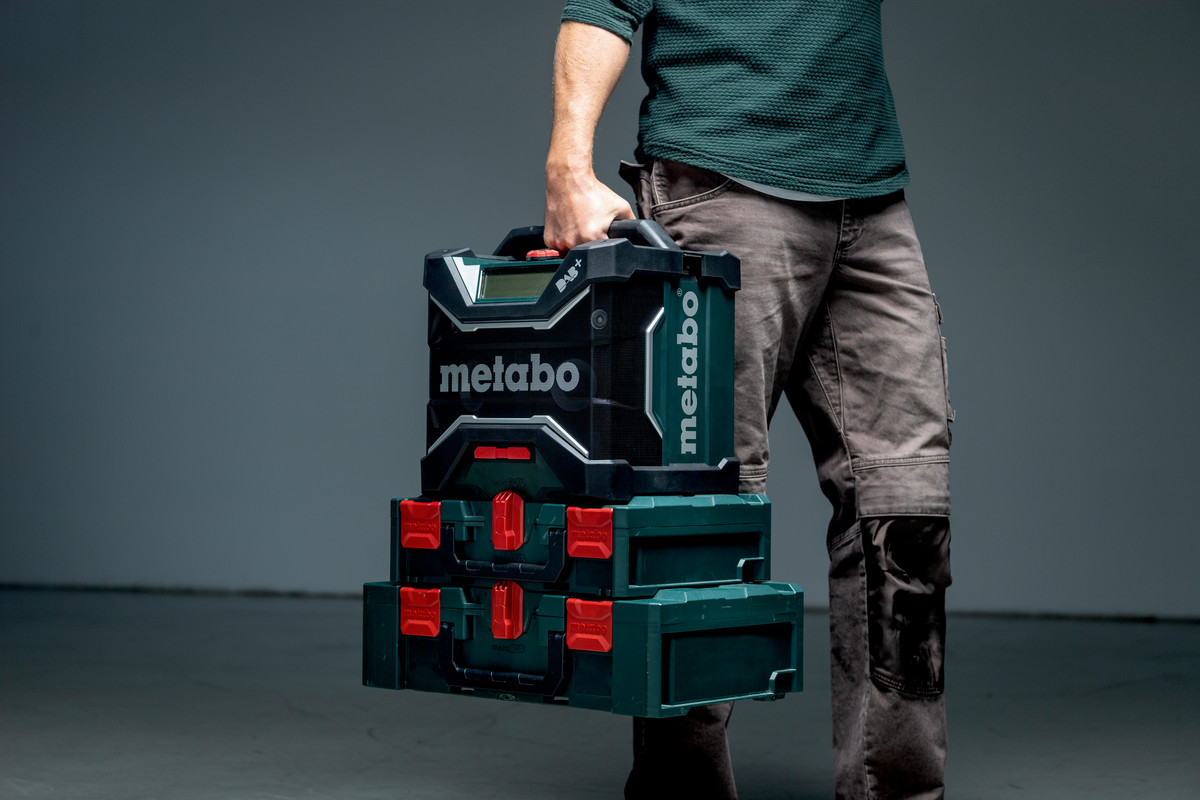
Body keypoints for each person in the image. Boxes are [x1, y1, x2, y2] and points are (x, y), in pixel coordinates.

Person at [543, 2, 954, 799]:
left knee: (905, 515)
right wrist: (567, 160)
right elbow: (604, 4)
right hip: (723, 185)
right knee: (701, 519)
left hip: (871, 199)